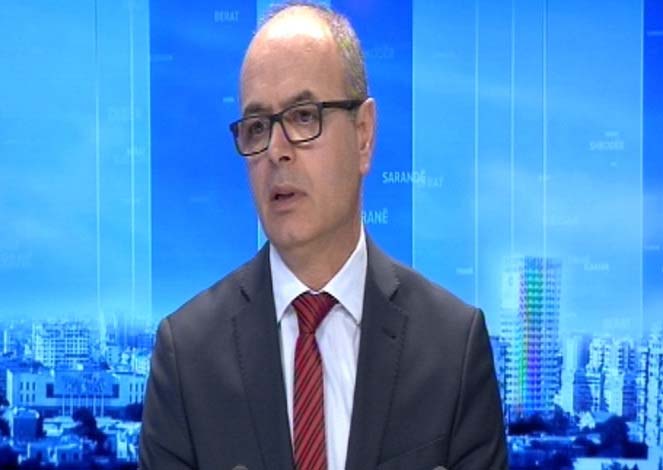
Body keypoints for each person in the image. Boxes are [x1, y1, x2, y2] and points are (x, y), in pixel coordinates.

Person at [139, 3, 508, 470]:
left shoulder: (453, 348)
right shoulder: (186, 357)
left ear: (363, 135)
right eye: (257, 127)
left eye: (303, 116)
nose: (276, 151)